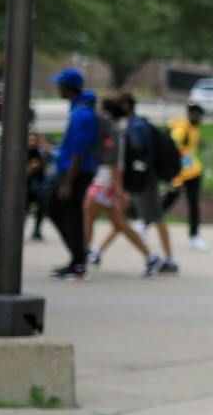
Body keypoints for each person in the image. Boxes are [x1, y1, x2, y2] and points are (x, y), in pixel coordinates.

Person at [83, 91, 159, 277]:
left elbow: (115, 163)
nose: (97, 111)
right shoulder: (115, 130)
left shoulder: (112, 132)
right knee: (120, 224)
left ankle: (80, 260)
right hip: (108, 183)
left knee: (88, 218)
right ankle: (150, 257)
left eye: (101, 108)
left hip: (105, 183)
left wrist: (118, 190)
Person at [113, 93, 179, 276]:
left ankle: (167, 259)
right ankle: (95, 252)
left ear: (126, 105)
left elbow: (140, 156)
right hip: (141, 181)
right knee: (118, 217)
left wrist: (134, 180)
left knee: (156, 217)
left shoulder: (136, 127)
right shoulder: (136, 124)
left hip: (143, 182)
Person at [47, 69, 100, 280]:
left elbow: (79, 152)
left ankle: (78, 261)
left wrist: (68, 182)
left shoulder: (82, 114)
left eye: (59, 84)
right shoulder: (79, 109)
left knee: (63, 213)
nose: (57, 88)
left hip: (75, 173)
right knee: (65, 214)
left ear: (67, 87)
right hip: (73, 171)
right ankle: (77, 260)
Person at [163, 104, 207, 252]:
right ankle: (145, 223)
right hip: (180, 174)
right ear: (190, 114)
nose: (199, 118)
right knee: (169, 200)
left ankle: (194, 236)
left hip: (193, 173)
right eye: (196, 115)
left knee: (193, 205)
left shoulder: (193, 129)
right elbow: (173, 147)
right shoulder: (182, 128)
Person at [24, 130, 49, 241]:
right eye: (30, 140)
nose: (32, 142)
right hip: (22, 188)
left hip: (35, 188)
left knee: (43, 198)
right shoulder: (22, 153)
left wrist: (39, 167)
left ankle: (37, 229)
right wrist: (30, 168)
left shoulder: (38, 154)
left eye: (34, 140)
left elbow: (42, 176)